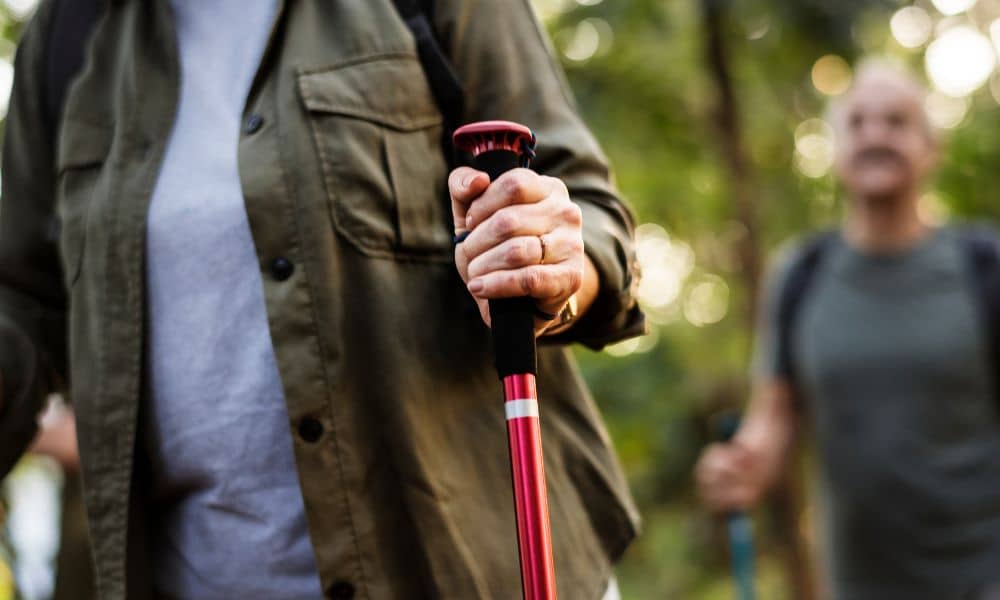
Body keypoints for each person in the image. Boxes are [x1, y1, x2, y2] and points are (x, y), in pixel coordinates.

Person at [0, 1, 644, 598]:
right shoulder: (68, 33)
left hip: (471, 570)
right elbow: (22, 301)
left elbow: (589, 210)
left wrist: (552, 259)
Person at [695, 61, 1000, 600]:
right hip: (855, 584)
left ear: (932, 148)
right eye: (858, 123)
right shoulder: (801, 275)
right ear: (836, 150)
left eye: (896, 122)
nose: (875, 136)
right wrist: (742, 466)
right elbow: (775, 414)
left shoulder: (984, 266)